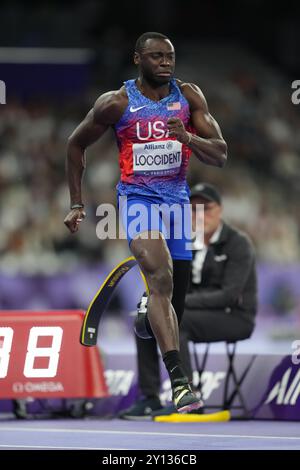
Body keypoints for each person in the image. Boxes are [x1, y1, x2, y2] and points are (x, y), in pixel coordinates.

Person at [64, 32, 227, 413]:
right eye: (156, 57)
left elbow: (220, 154)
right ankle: (181, 384)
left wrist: (186, 136)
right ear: (137, 59)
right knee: (160, 279)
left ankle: (146, 311)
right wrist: (76, 202)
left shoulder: (189, 97)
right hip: (137, 200)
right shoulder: (116, 103)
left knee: (174, 302)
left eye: (170, 56)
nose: (166, 63)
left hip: (178, 203)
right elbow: (75, 144)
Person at [120, 183, 257, 419]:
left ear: (220, 210)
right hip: (199, 311)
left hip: (234, 315)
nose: (199, 214)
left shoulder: (238, 243)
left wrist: (178, 304)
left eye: (206, 208)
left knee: (175, 321)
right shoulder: (183, 241)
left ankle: (185, 393)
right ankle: (149, 397)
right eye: (193, 209)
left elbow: (229, 295)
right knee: (147, 319)